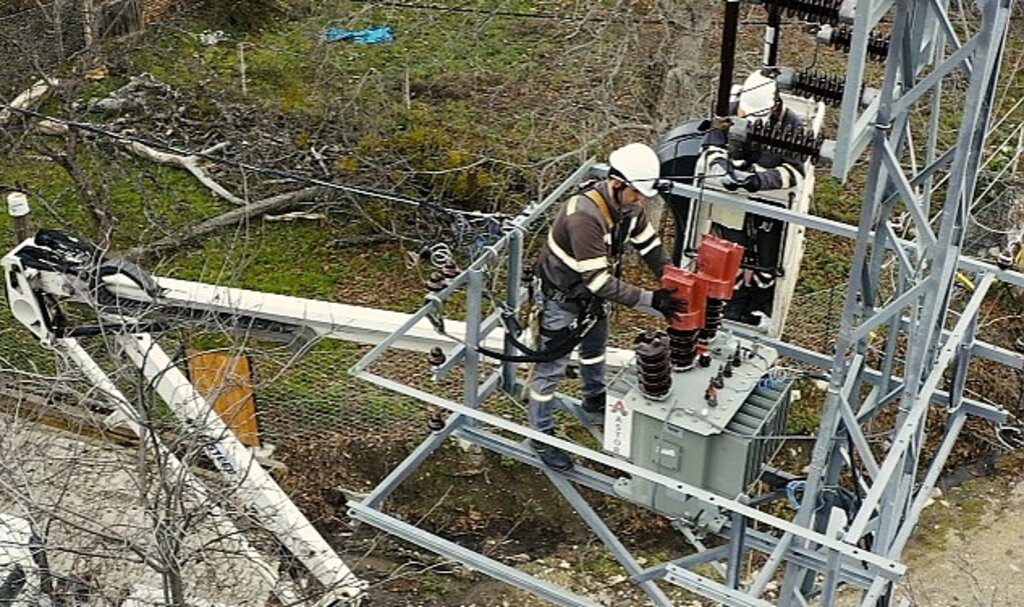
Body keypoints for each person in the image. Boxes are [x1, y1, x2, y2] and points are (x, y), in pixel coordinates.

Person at [528, 142, 687, 470]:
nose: (640, 199)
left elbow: (651, 248)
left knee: (595, 348)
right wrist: (652, 301)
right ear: (616, 183)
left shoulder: (628, 210)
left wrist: (673, 281)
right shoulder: (584, 216)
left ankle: (594, 398)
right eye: (636, 192)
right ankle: (540, 435)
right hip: (562, 298)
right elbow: (598, 281)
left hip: (589, 298)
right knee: (550, 368)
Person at [696, 70, 806, 328]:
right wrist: (722, 169)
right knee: (731, 250)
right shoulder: (730, 111)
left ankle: (759, 304)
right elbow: (711, 145)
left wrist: (759, 181)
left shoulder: (791, 127)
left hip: (770, 202)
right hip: (732, 200)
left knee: (768, 258)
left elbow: (794, 172)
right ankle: (731, 304)